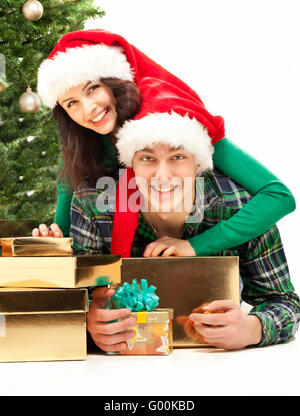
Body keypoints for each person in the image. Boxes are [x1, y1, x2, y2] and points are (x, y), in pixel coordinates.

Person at [70, 81, 300, 352]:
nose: (163, 175)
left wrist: (253, 327)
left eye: (178, 156)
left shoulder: (241, 205)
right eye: (147, 159)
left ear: (198, 163)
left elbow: (284, 302)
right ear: (130, 164)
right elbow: (73, 301)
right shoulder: (93, 204)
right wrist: (87, 323)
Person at [33, 29, 296, 260]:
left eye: (92, 89)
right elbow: (67, 235)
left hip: (201, 229)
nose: (88, 109)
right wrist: (54, 242)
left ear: (115, 81)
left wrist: (196, 246)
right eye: (72, 103)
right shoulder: (84, 144)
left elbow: (279, 197)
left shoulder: (176, 121)